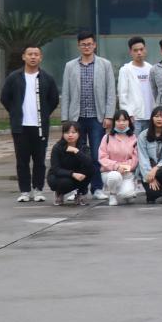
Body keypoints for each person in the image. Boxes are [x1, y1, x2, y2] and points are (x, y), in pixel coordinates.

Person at [1, 44, 59, 203]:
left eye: (36, 54)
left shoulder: (46, 78)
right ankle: (25, 191)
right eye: (30, 54)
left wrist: (44, 113)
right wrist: (15, 112)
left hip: (40, 126)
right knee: (22, 161)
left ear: (41, 57)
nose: (33, 57)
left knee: (39, 160)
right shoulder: (14, 77)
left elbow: (53, 99)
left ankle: (38, 190)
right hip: (21, 127)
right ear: (24, 56)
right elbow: (5, 98)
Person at [61, 30, 115, 201]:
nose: (86, 47)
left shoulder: (105, 64)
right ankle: (77, 189)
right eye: (83, 44)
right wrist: (66, 119)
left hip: (97, 118)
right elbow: (66, 93)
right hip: (76, 118)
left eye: (89, 44)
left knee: (97, 155)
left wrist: (109, 115)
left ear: (95, 45)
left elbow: (110, 92)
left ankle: (97, 188)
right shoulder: (70, 66)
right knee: (75, 155)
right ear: (78, 46)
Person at [47, 122, 95, 206]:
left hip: (78, 175)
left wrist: (76, 151)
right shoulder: (57, 147)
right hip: (60, 176)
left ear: (79, 133)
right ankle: (59, 193)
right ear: (63, 134)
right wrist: (72, 174)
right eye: (67, 132)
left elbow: (89, 163)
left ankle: (81, 193)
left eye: (73, 132)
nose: (70, 135)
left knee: (91, 168)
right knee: (66, 182)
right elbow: (56, 169)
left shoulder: (83, 147)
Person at [98, 109, 139, 206]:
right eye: (118, 120)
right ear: (114, 122)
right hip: (110, 172)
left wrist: (124, 168)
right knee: (114, 176)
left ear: (129, 121)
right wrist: (116, 167)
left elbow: (135, 159)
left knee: (128, 195)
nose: (121, 123)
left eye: (124, 120)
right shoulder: (107, 137)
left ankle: (126, 191)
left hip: (126, 173)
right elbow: (102, 157)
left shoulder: (133, 138)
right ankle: (112, 194)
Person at [137, 106, 162, 205]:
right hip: (148, 170)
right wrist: (150, 176)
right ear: (152, 118)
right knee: (153, 194)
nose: (159, 119)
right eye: (156, 116)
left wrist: (156, 169)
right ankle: (154, 192)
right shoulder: (143, 135)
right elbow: (143, 158)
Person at [117, 36, 155, 134]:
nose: (139, 53)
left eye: (141, 49)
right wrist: (128, 114)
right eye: (135, 50)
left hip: (151, 116)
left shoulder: (151, 68)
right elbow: (122, 94)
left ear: (145, 50)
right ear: (130, 52)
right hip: (134, 118)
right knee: (133, 142)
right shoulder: (125, 70)